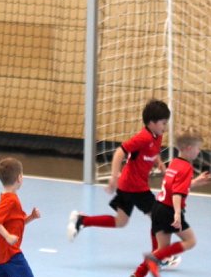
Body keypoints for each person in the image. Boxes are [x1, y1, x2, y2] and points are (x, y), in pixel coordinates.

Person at [67, 99, 170, 241]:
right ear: (152, 122)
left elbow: (154, 150)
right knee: (157, 217)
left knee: (120, 221)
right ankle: (159, 256)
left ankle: (82, 220)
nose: (165, 127)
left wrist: (159, 163)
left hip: (130, 185)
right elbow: (119, 152)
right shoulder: (143, 137)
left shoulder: (157, 135)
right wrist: (114, 177)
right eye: (163, 123)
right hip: (134, 187)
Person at [127, 128, 211, 277]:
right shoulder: (186, 167)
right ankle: (154, 259)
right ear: (188, 148)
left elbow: (175, 187)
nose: (199, 151)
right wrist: (178, 214)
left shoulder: (174, 163)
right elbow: (178, 194)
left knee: (162, 250)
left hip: (157, 208)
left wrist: (195, 182)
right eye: (197, 148)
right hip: (169, 210)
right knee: (190, 241)